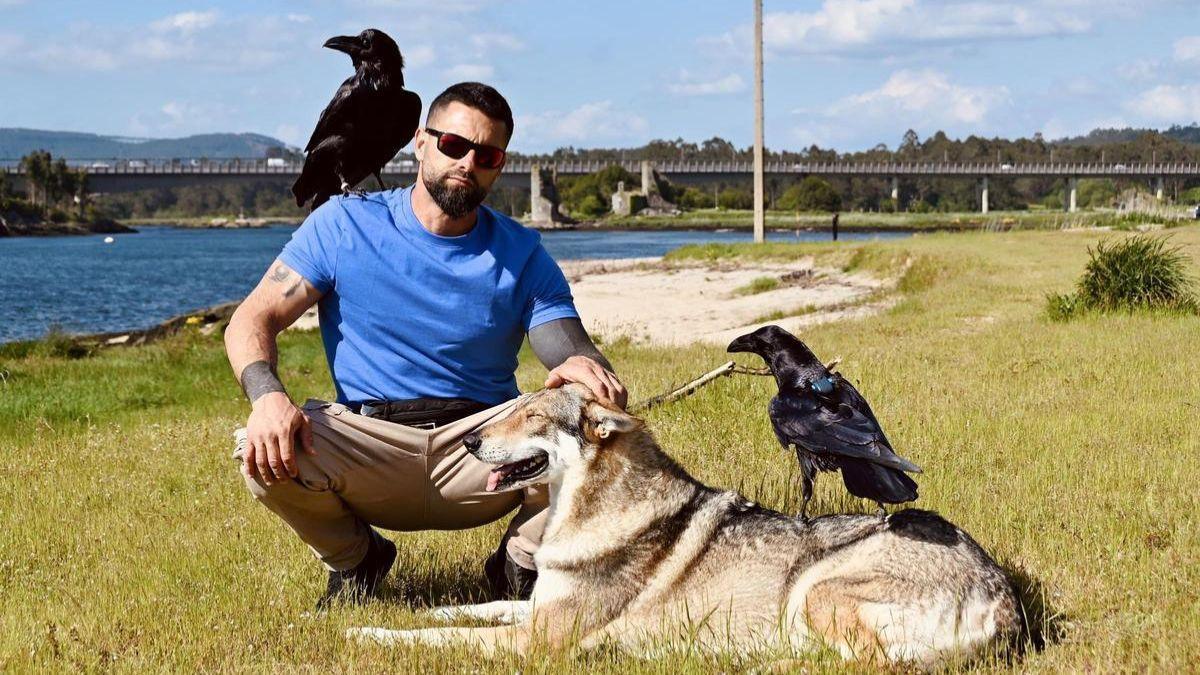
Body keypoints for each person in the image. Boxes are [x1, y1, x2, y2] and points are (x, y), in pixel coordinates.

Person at [223, 82, 626, 610]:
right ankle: (356, 561)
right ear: (420, 142)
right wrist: (268, 397)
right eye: (454, 145)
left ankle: (520, 564)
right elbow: (251, 319)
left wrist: (587, 370)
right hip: (370, 442)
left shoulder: (522, 252)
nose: (467, 163)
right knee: (260, 449)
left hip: (482, 448)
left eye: (487, 155)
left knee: (596, 435)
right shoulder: (343, 225)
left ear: (500, 166)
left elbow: (569, 347)